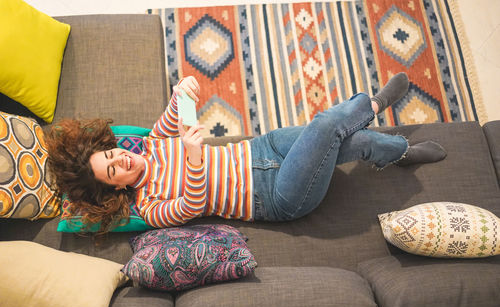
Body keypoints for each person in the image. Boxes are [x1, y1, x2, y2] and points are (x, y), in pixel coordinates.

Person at [46, 73, 446, 232]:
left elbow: (175, 112)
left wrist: (182, 90)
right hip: (277, 196)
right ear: (114, 189)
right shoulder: (150, 206)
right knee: (326, 126)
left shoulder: (152, 142)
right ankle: (374, 104)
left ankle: (398, 152)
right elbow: (192, 204)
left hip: (262, 147)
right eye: (113, 171)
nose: (121, 161)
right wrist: (195, 159)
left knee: (351, 143)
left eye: (113, 155)